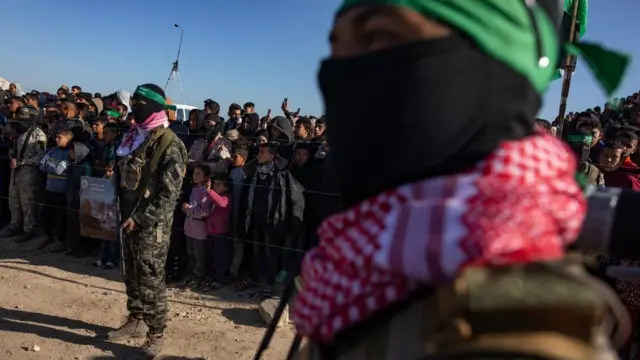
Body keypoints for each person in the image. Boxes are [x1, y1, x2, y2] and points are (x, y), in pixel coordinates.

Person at [291, 1, 630, 359]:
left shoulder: (516, 336)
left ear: (496, 62)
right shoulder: (353, 262)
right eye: (335, 47)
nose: (339, 72)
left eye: (378, 35)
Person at [107, 83, 187, 357]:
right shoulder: (136, 136)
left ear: (154, 106)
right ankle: (136, 320)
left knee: (151, 280)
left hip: (150, 226)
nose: (135, 109)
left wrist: (140, 218)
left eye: (141, 104)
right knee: (130, 274)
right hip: (127, 218)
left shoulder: (170, 144)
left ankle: (156, 333)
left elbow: (169, 195)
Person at [0, 106, 47, 242]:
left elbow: (41, 155)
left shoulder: (39, 135)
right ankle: (14, 225)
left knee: (28, 202)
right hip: (16, 171)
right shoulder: (21, 133)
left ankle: (29, 229)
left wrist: (23, 162)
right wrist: (12, 156)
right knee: (13, 200)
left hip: (29, 173)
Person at [182, 164, 212, 289]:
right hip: (190, 226)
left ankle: (198, 277)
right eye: (194, 173)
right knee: (190, 253)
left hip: (199, 228)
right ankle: (191, 275)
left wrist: (189, 210)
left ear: (206, 177)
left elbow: (204, 211)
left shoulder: (205, 192)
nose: (195, 176)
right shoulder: (195, 189)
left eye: (198, 174)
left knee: (199, 255)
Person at [203, 174, 231, 290]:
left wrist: (210, 191)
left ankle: (219, 279)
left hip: (220, 233)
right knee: (210, 256)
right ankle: (210, 277)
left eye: (219, 184)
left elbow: (222, 203)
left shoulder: (226, 198)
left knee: (220, 258)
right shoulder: (212, 196)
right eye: (215, 184)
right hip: (210, 232)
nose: (215, 186)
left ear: (226, 188)